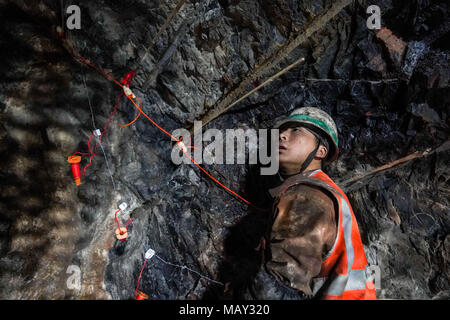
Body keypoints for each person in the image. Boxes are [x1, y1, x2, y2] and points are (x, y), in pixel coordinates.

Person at [242, 107, 377, 300]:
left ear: (321, 151)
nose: (282, 136)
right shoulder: (321, 192)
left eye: (296, 130)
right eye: (282, 132)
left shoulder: (308, 196)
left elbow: (278, 289)